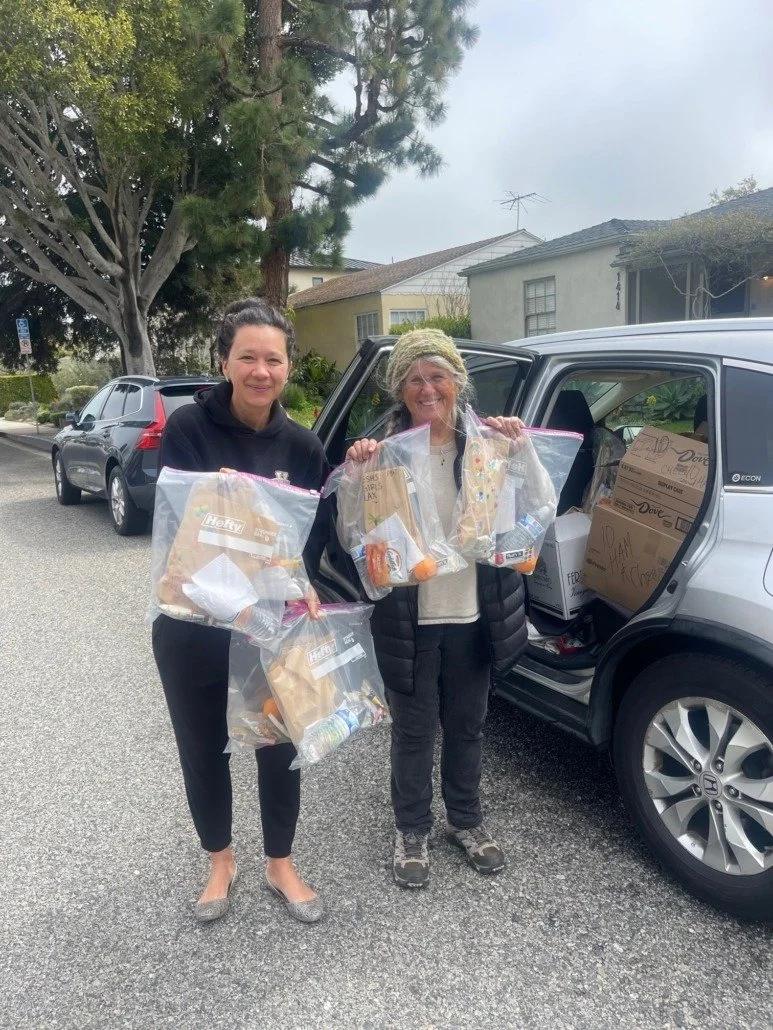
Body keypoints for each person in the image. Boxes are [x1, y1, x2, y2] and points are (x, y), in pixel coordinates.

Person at [152, 298, 328, 923]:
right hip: (193, 624)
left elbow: (311, 538)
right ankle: (219, 859)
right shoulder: (187, 430)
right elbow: (179, 535)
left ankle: (280, 863)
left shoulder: (305, 446)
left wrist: (303, 583)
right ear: (224, 361)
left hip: (270, 627)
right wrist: (217, 502)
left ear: (288, 367)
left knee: (277, 739)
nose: (260, 370)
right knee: (204, 745)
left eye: (273, 359)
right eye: (247, 356)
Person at [344, 328, 529, 888]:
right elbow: (356, 535)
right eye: (414, 379)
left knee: (468, 727)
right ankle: (412, 829)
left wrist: (520, 451)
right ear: (400, 391)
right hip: (412, 620)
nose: (427, 388)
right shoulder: (384, 455)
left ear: (457, 382)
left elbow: (528, 512)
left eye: (437, 376)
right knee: (414, 731)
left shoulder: (486, 447)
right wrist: (354, 476)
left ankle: (465, 821)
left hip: (474, 614)